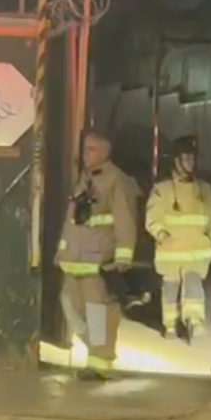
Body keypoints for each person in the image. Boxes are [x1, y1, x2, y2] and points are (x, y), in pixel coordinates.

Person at [56, 130, 139, 381]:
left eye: (92, 149)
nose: (86, 154)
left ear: (106, 151)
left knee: (98, 312)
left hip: (98, 261)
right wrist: (62, 254)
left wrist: (123, 255)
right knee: (70, 305)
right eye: (84, 149)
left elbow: (125, 219)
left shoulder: (117, 181)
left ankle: (99, 363)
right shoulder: (83, 180)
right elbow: (72, 221)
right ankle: (94, 348)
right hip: (74, 261)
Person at [145, 135, 211, 340]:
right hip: (171, 251)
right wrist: (161, 234)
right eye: (186, 157)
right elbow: (152, 217)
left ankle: (195, 321)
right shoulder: (162, 189)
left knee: (193, 286)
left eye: (193, 158)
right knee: (170, 289)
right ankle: (170, 325)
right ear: (175, 160)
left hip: (197, 251)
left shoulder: (204, 189)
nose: (191, 162)